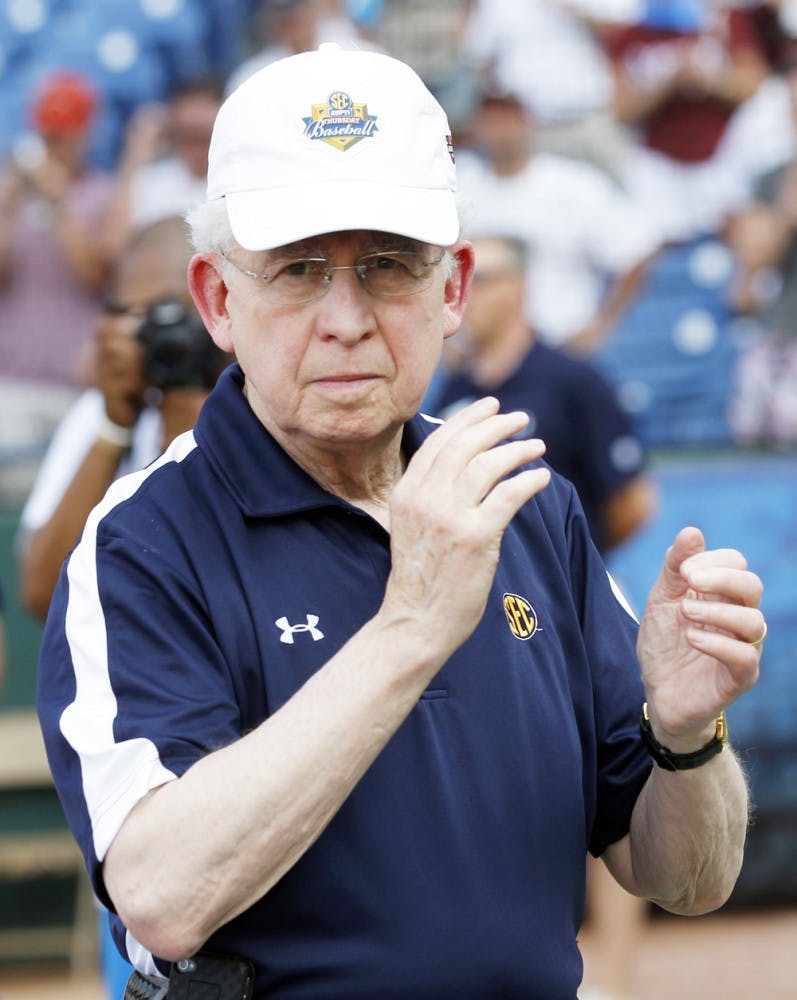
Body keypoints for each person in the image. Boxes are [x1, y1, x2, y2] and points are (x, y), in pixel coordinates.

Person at [37, 45, 766, 1000]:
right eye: (297, 271)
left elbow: (686, 878)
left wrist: (686, 735)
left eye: (387, 266)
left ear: (451, 289)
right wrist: (412, 625)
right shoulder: (144, 541)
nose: (345, 318)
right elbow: (164, 895)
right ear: (218, 300)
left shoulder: (525, 504)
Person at [18, 216, 228, 622]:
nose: (165, 339)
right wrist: (116, 427)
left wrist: (196, 443)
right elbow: (43, 596)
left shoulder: (266, 409)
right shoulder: (100, 414)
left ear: (220, 305)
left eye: (176, 315)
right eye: (137, 315)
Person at [433, 234, 656, 554]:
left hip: (561, 590)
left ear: (518, 285)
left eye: (478, 280)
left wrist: (572, 566)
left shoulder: (572, 380)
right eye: (452, 281)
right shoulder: (455, 389)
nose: (462, 294)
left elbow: (633, 503)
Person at [454, 88, 660, 350]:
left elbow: (638, 248)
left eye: (510, 118)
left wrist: (602, 324)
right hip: (477, 354)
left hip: (558, 347)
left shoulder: (573, 184)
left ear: (529, 121)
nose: (502, 130)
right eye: (492, 119)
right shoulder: (458, 182)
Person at [0, 70, 115, 506]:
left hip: (74, 383)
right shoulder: (11, 194)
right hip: (12, 381)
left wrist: (59, 201)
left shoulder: (100, 194)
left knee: (71, 509)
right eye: (48, 137)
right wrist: (9, 201)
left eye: (63, 137)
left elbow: (94, 273)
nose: (55, 148)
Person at [101, 77, 224, 263]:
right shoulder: (150, 181)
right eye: (186, 135)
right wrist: (137, 151)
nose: (196, 149)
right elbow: (112, 250)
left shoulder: (237, 180)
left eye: (202, 135)